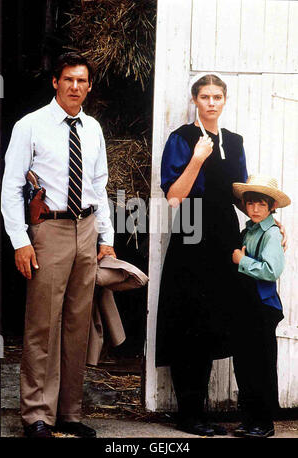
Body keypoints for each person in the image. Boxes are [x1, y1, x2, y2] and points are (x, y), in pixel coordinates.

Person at [155, 73, 286, 437]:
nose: (211, 103)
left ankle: (254, 416)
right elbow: (173, 197)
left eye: (217, 97)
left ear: (224, 101)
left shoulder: (235, 141)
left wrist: (272, 222)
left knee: (232, 319)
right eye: (205, 96)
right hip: (192, 230)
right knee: (190, 320)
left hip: (227, 235)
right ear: (195, 100)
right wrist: (197, 159)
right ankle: (191, 415)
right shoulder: (181, 139)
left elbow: (242, 196)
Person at [1, 52, 115, 438]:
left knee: (77, 324)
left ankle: (68, 412)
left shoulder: (93, 128)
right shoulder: (30, 126)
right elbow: (12, 187)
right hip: (48, 230)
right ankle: (37, 414)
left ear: (89, 86)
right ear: (55, 82)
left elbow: (98, 184)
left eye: (82, 81)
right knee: (42, 324)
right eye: (68, 79)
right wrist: (20, 240)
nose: (75, 87)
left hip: (85, 228)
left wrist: (107, 238)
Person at [231, 175, 291, 438]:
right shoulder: (249, 230)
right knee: (244, 364)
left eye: (261, 204)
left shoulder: (271, 233)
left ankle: (264, 422)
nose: (255, 209)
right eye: (251, 203)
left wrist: (241, 260)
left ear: (271, 207)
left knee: (262, 365)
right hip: (245, 305)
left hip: (263, 306)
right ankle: (249, 418)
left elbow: (271, 270)